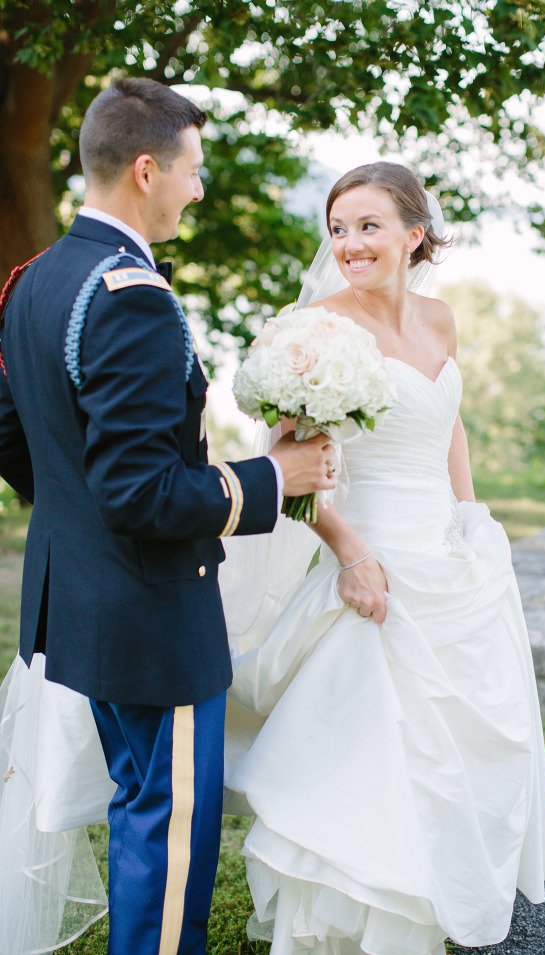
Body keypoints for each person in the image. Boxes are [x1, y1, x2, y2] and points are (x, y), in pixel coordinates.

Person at [0, 77, 337, 955]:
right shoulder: (132, 298)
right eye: (194, 171)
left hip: (81, 602)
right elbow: (143, 492)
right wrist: (273, 474)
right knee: (170, 828)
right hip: (151, 615)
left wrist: (79, 522)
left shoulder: (35, 279)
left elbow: (14, 434)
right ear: (147, 170)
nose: (199, 190)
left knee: (139, 800)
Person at [221, 162, 545, 955]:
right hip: (371, 562)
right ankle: (352, 924)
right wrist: (350, 555)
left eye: (368, 226)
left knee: (459, 752)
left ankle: (435, 900)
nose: (348, 243)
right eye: (338, 228)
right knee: (371, 749)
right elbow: (291, 469)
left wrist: (470, 518)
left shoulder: (441, 320)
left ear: (414, 234)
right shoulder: (313, 332)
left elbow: (449, 423)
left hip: (451, 559)